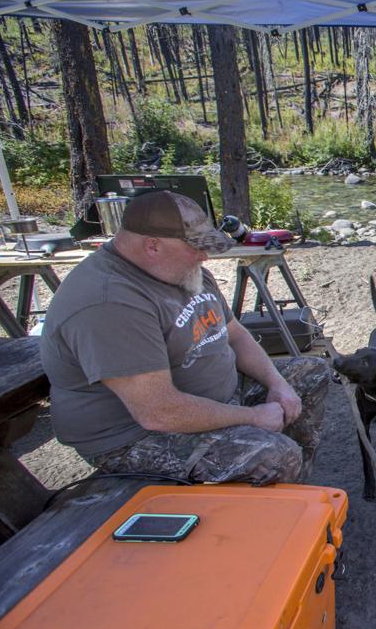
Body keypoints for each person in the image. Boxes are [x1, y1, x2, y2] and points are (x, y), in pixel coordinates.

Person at [40, 190, 330, 485]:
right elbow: (158, 412)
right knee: (275, 456)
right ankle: (264, 509)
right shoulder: (109, 302)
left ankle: (293, 491)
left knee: (310, 371)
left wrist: (277, 385)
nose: (204, 256)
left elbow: (235, 335)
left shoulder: (183, 270)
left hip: (212, 399)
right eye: (196, 247)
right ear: (152, 246)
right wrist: (253, 417)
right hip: (137, 436)